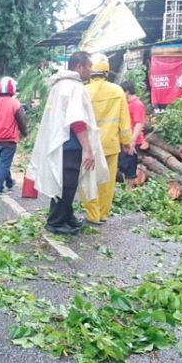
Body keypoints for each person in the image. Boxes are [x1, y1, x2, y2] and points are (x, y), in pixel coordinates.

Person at [28, 51, 108, 235]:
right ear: (79, 66)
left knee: (66, 182)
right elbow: (76, 120)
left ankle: (67, 216)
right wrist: (87, 148)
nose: (90, 70)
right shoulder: (74, 87)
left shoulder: (60, 85)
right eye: (89, 66)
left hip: (63, 143)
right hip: (70, 144)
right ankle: (56, 222)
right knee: (67, 183)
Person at [81, 53, 132, 225]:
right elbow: (125, 122)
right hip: (110, 145)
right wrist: (127, 142)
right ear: (106, 71)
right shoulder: (117, 91)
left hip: (89, 146)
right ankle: (103, 214)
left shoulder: (83, 91)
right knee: (107, 182)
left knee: (88, 181)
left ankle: (92, 214)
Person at [0, 77, 28, 195]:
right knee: (4, 163)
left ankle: (9, 183)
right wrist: (25, 133)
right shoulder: (15, 103)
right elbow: (21, 121)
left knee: (3, 162)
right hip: (9, 139)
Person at [119, 81, 146, 190]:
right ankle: (126, 188)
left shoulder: (137, 104)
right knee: (124, 165)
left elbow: (139, 123)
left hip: (132, 141)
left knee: (129, 166)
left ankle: (129, 189)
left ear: (127, 91)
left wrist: (132, 141)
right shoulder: (126, 104)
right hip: (124, 141)